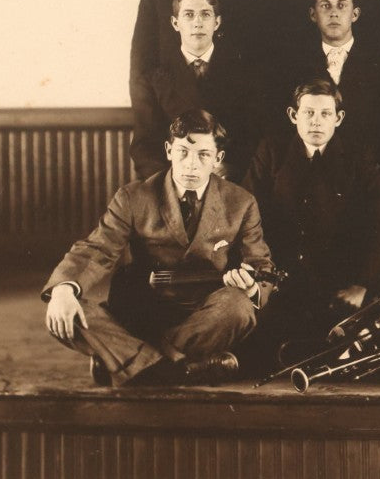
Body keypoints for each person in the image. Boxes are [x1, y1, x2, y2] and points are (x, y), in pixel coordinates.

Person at [41, 110, 272, 386]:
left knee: (239, 308)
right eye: (183, 152)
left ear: (217, 160)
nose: (191, 165)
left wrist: (252, 287)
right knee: (63, 312)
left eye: (203, 155)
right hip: (142, 313)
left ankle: (129, 361)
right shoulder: (133, 197)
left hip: (203, 316)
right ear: (168, 151)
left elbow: (261, 265)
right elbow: (98, 248)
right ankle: (182, 369)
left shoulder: (241, 202)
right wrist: (64, 289)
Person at [243, 78, 380, 355]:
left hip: (343, 279)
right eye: (309, 113)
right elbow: (246, 212)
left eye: (325, 114)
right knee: (271, 349)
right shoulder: (271, 152)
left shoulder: (357, 156)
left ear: (338, 119)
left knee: (355, 347)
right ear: (293, 115)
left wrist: (361, 284)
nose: (316, 122)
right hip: (285, 275)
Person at [281, 0, 380, 213]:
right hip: (313, 171)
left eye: (342, 5)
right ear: (313, 14)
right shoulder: (295, 64)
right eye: (325, 6)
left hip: (368, 173)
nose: (333, 13)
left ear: (355, 14)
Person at [130, 0, 260, 182]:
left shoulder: (243, 76)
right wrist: (172, 179)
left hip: (228, 180)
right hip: (171, 183)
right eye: (189, 15)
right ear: (175, 23)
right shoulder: (154, 79)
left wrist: (230, 168)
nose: (197, 23)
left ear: (217, 22)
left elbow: (253, 135)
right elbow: (144, 145)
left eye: (205, 14)